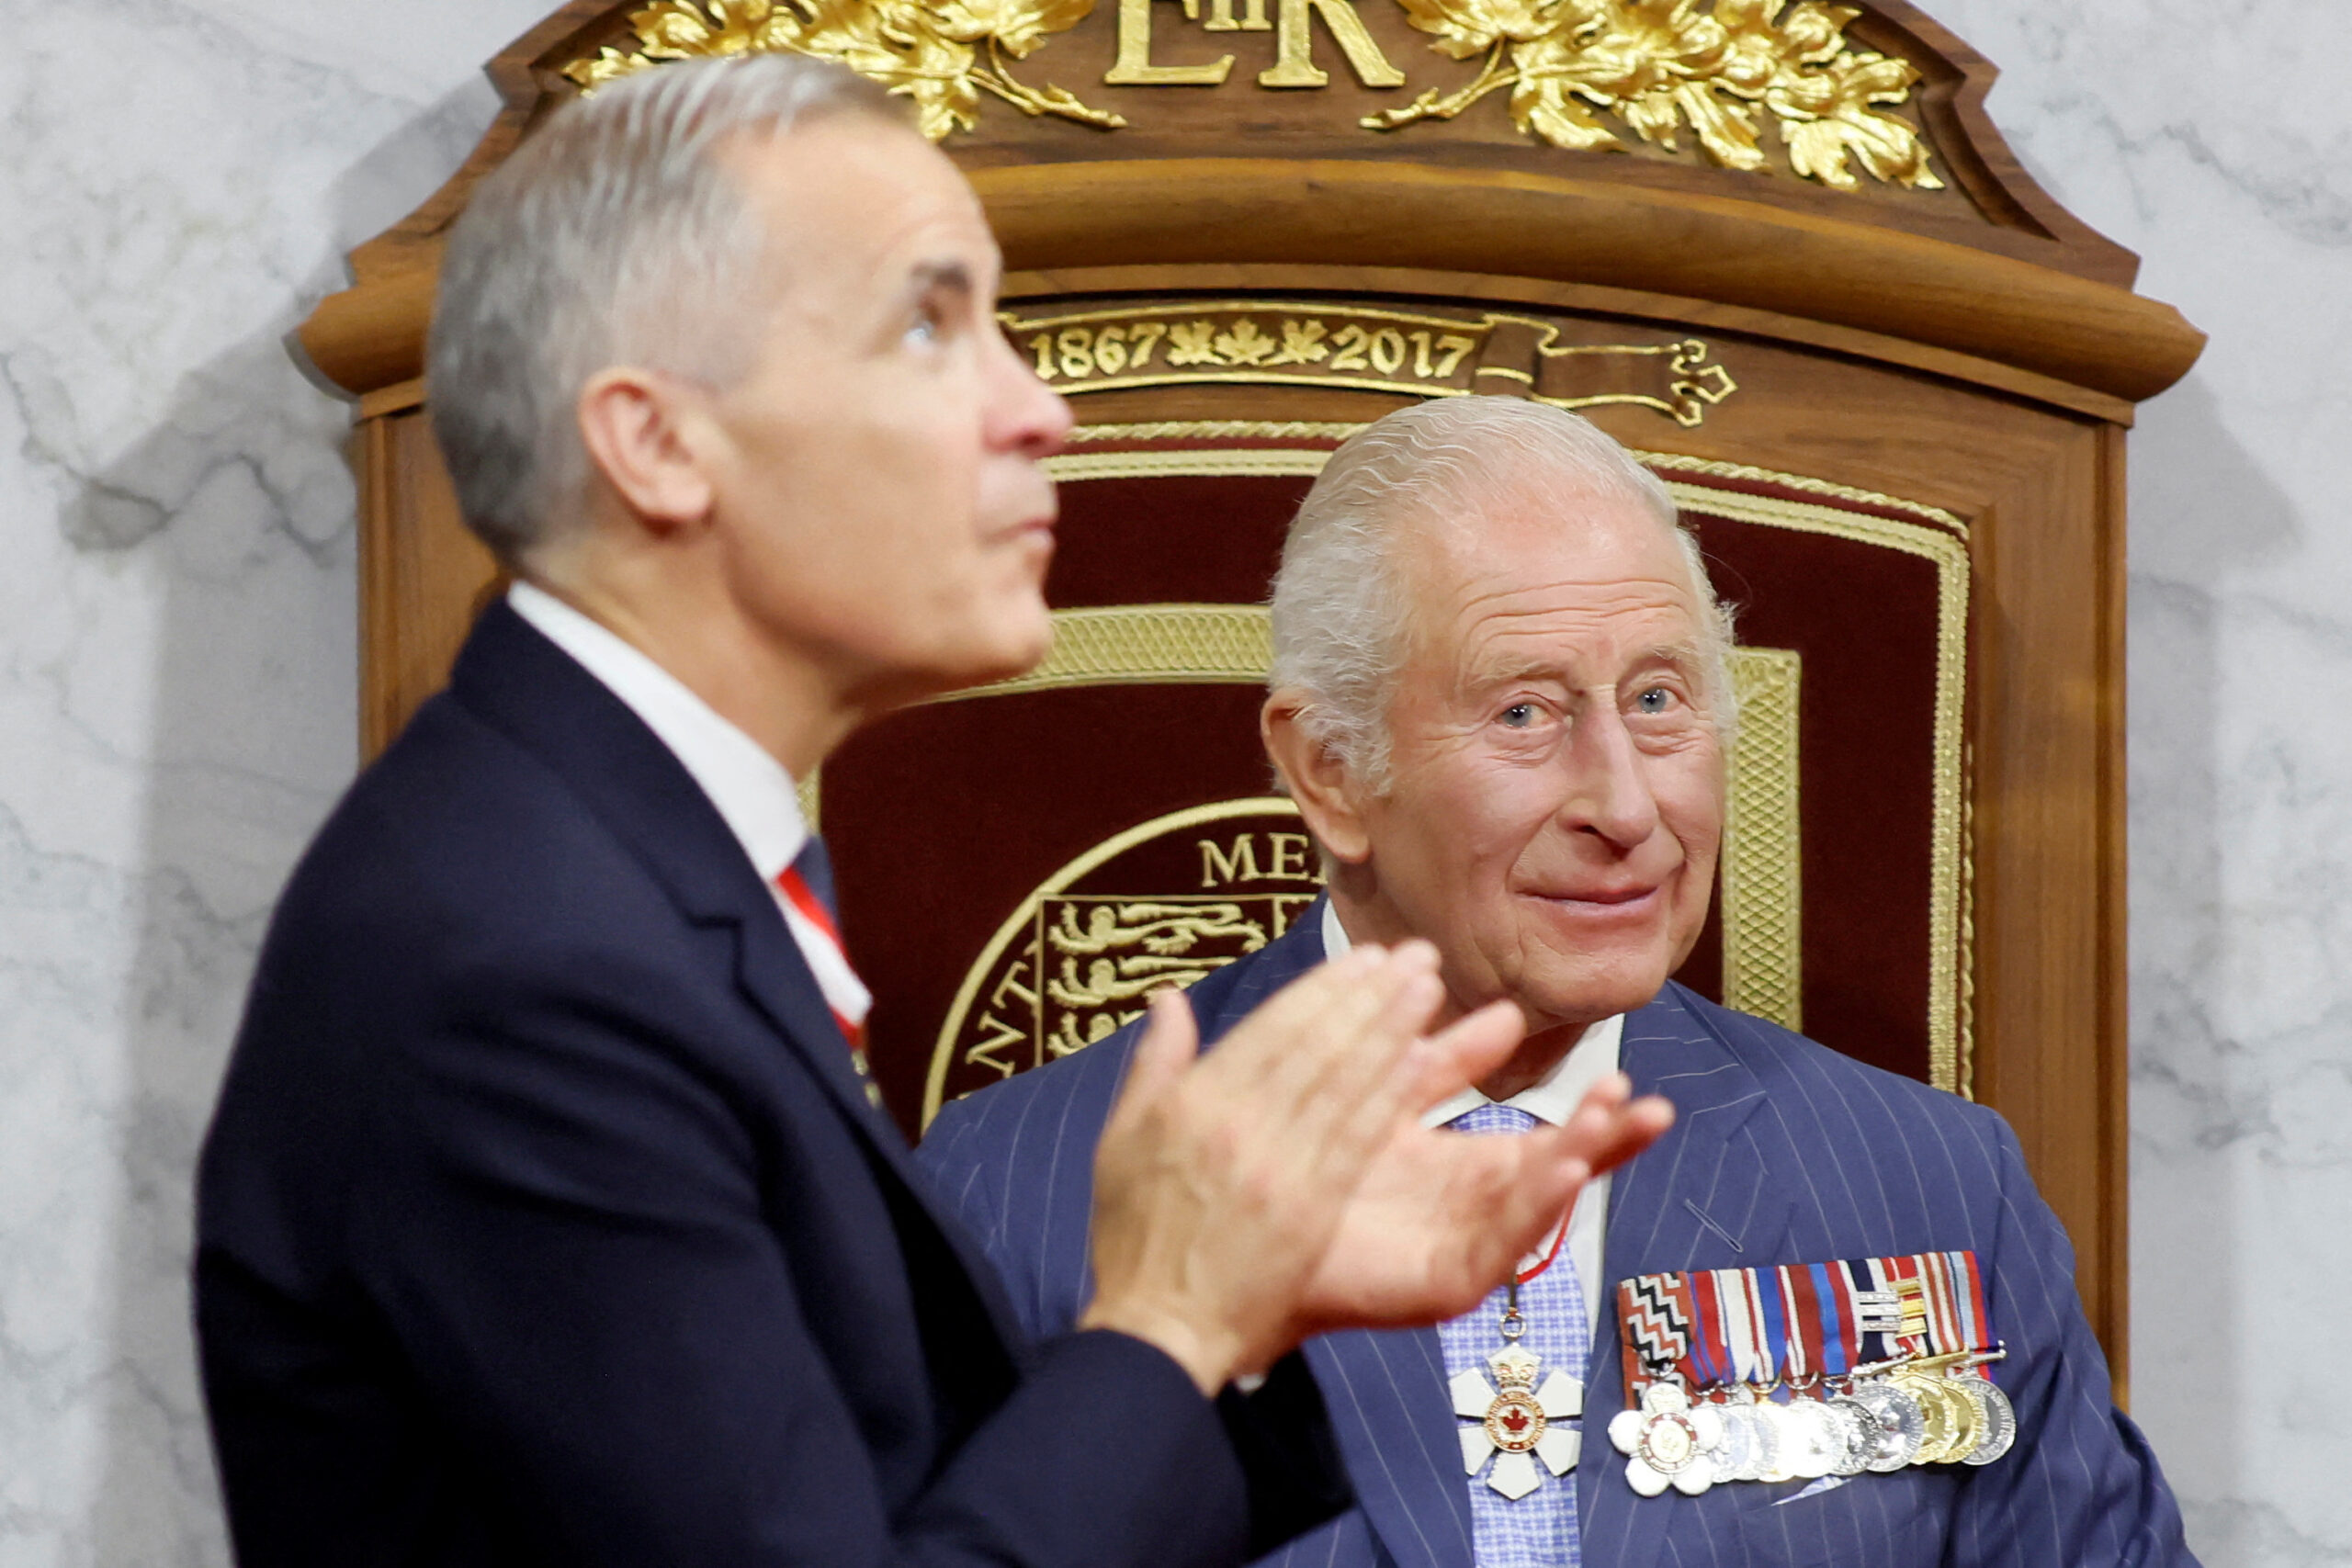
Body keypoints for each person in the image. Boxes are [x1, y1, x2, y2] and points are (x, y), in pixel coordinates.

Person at [192, 60, 1677, 1568]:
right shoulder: (523, 960)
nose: (1039, 413)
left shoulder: (627, 869)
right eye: (927, 326)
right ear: (657, 443)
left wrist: (1240, 1316)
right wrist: (1169, 1320)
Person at [920, 397, 2198, 1567]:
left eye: (1659, 699)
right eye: (1525, 714)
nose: (1625, 807)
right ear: (1331, 773)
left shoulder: (1933, 1185)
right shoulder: (1011, 1192)